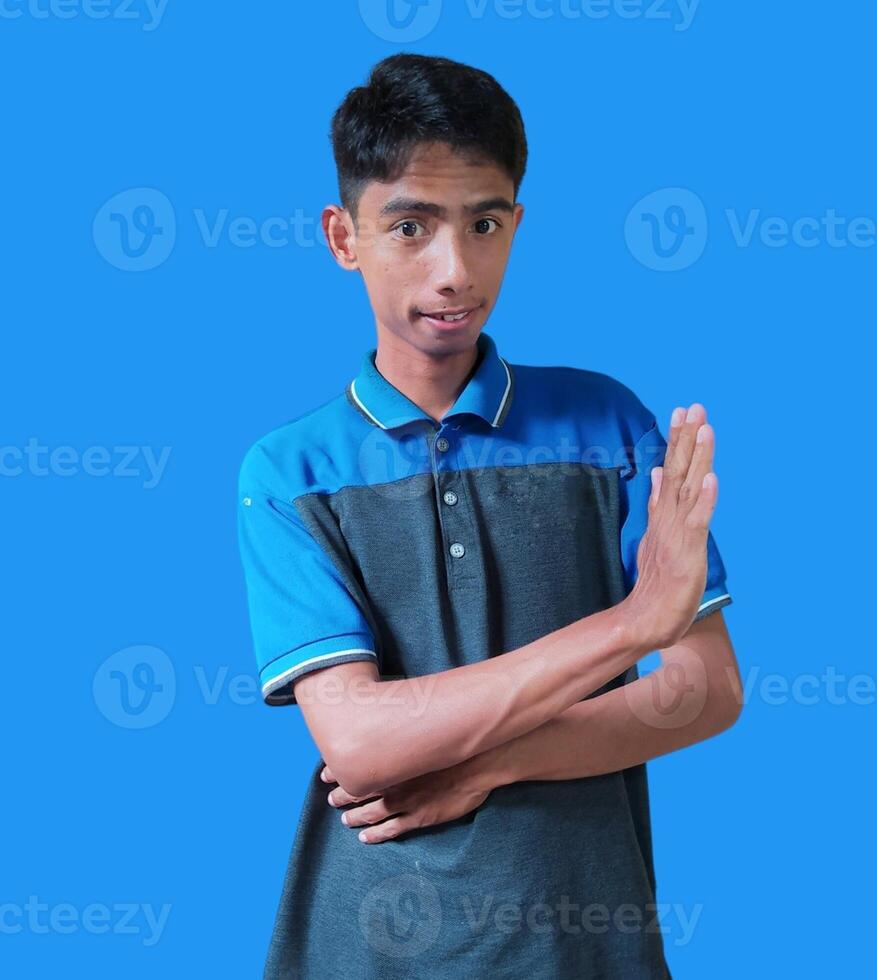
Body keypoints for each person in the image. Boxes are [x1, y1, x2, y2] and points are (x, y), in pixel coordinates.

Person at [237, 52, 743, 980]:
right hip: (360, 949)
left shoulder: (610, 426)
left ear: (517, 221)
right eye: (410, 227)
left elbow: (705, 691)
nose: (455, 270)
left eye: (484, 223)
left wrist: (487, 766)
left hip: (585, 948)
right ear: (343, 237)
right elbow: (362, 742)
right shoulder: (288, 474)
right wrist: (635, 623)